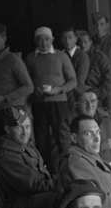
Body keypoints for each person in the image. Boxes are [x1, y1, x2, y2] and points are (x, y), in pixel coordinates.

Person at [25, 26, 78, 170]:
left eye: (47, 39)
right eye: (40, 40)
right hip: (39, 104)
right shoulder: (30, 58)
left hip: (59, 103)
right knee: (42, 141)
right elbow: (26, 83)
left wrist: (58, 90)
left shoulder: (61, 56)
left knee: (62, 139)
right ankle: (47, 174)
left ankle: (68, 171)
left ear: (52, 40)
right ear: (36, 41)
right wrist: (34, 91)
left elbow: (73, 81)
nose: (44, 43)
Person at [0, 21, 34, 155]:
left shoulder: (13, 60)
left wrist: (5, 98)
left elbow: (28, 87)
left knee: (21, 150)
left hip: (15, 112)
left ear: (4, 38)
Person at [59, 88, 111, 163]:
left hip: (110, 168)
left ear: (98, 102)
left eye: (93, 101)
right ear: (77, 104)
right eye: (85, 102)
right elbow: (68, 153)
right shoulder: (67, 124)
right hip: (85, 170)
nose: (89, 105)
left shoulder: (107, 116)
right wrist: (102, 146)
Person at [78, 29, 111, 110]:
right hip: (89, 95)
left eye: (85, 42)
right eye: (80, 42)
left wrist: (99, 93)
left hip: (104, 96)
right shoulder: (78, 57)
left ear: (90, 42)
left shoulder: (99, 57)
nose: (83, 45)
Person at [59, 26, 91, 110]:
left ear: (76, 39)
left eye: (70, 37)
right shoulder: (59, 56)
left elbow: (79, 82)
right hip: (61, 96)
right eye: (64, 38)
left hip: (76, 96)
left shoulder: (82, 56)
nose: (67, 41)